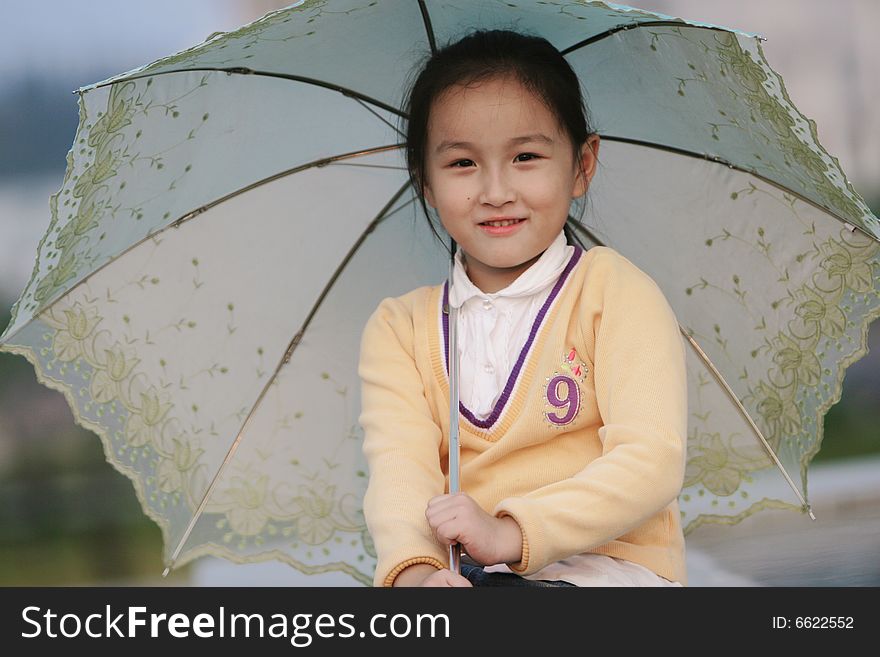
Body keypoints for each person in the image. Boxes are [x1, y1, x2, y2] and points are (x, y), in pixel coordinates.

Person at [357, 28, 688, 587]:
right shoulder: (401, 329)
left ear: (583, 164)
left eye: (526, 156)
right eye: (462, 163)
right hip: (477, 580)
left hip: (614, 572)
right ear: (426, 182)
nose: (495, 190)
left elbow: (651, 461)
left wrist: (509, 533)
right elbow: (400, 475)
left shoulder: (613, 293)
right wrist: (420, 574)